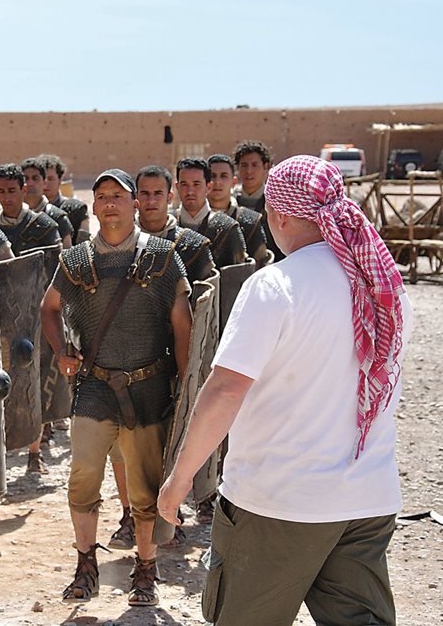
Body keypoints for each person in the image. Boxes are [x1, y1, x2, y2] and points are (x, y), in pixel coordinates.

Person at [159, 155, 412, 626]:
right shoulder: (385, 288)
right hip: (366, 501)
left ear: (280, 215)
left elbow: (226, 390)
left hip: (279, 502)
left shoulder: (275, 287)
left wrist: (179, 479)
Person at [42, 168, 192, 606]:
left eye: (118, 196)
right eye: (102, 195)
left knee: (146, 488)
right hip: (95, 387)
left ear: (134, 204)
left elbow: (181, 324)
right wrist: (61, 350)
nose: (110, 203)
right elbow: (49, 309)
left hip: (147, 386)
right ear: (95, 205)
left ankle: (145, 569)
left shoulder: (162, 257)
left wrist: (183, 385)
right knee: (83, 479)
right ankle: (85, 565)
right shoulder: (75, 261)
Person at [91, 164, 212, 549]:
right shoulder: (116, 244)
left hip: (172, 360)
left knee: (167, 442)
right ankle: (131, 515)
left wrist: (189, 370)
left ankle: (169, 513)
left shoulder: (191, 247)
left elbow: (209, 304)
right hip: (125, 364)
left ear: (169, 196)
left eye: (158, 193)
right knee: (123, 450)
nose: (150, 200)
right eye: (143, 193)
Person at [0, 162, 60, 473]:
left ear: (23, 189)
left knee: (35, 379)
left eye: (11, 190)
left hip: (37, 312)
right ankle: (2, 443)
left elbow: (56, 268)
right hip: (2, 316)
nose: (6, 197)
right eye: (0, 191)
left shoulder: (43, 225)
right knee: (0, 382)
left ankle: (34, 450)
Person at [174, 157, 247, 268]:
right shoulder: (169, 225)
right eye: (184, 184)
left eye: (196, 184)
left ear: (208, 187)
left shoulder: (227, 228)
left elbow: (238, 276)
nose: (190, 191)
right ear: (177, 187)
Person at [207, 154, 269, 265]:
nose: (217, 182)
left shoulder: (250, 221)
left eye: (224, 176)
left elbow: (262, 264)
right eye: (212, 176)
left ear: (233, 182)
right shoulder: (190, 219)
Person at [233, 140, 284, 261]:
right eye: (244, 165)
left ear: (266, 167)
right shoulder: (231, 202)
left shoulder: (276, 203)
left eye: (255, 165)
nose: (249, 171)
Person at [23, 156, 73, 248]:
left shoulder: (58, 218)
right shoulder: (7, 218)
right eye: (26, 179)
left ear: (44, 183)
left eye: (35, 178)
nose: (30, 183)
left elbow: (68, 257)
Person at [39, 153, 90, 243]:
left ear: (60, 179)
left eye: (50, 179)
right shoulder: (29, 211)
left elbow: (84, 245)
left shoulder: (76, 209)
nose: (45, 183)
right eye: (42, 179)